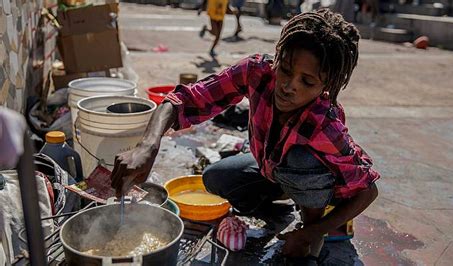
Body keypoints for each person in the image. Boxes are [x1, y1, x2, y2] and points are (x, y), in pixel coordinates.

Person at [111, 9, 380, 259]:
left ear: (326, 86)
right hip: (273, 170)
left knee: (301, 160)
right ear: (278, 56)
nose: (288, 86)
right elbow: (188, 99)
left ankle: (310, 232)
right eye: (285, 69)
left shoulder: (325, 124)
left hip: (317, 186)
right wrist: (148, 146)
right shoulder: (257, 73)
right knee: (215, 178)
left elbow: (367, 191)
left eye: (307, 82)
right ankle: (282, 205)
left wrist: (312, 232)